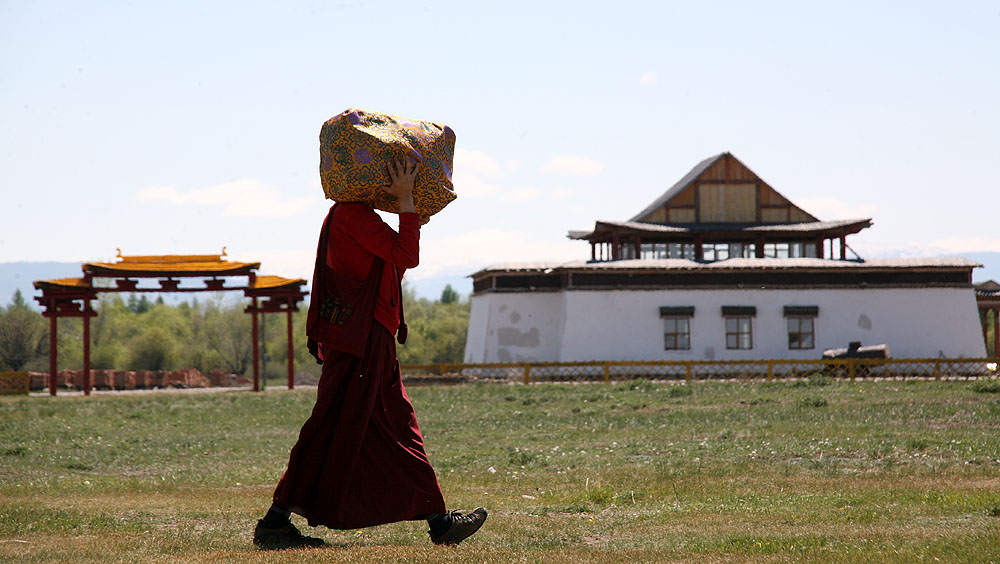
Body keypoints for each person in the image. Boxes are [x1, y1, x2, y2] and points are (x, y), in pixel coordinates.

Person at [253, 157, 487, 549]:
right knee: (335, 427)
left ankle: (440, 522)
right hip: (360, 341)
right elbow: (407, 256)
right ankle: (275, 522)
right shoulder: (353, 215)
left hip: (365, 338)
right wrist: (407, 204)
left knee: (395, 424)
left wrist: (409, 214)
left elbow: (390, 265)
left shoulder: (348, 215)